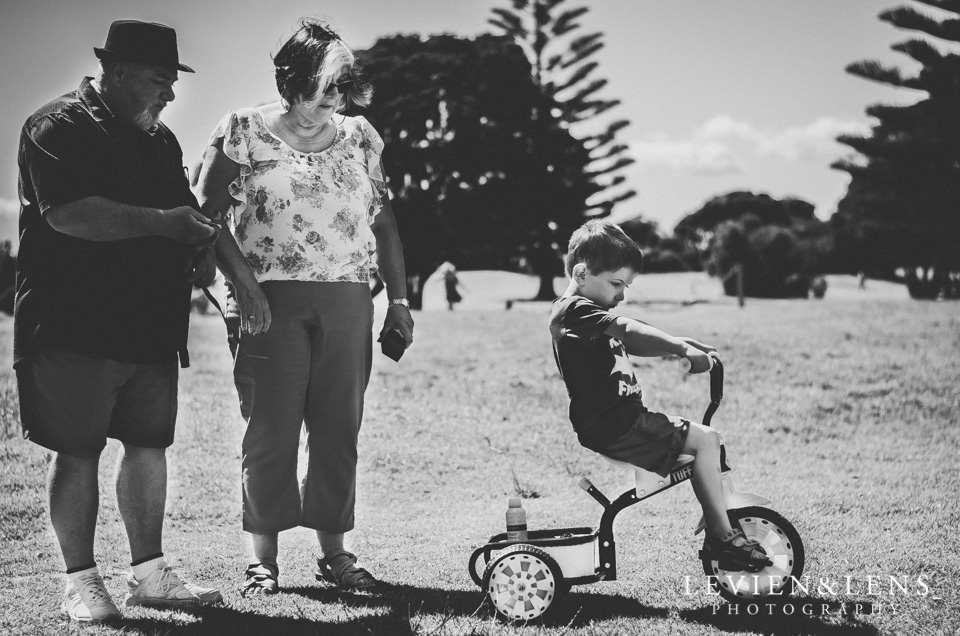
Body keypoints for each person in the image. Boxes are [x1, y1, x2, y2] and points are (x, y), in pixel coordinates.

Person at [196, 19, 414, 597]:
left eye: (342, 88)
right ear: (292, 79)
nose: (334, 101)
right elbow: (205, 218)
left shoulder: (361, 136)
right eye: (325, 87)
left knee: (339, 428)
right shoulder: (242, 130)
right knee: (271, 429)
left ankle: (335, 554)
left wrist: (399, 300)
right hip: (267, 300)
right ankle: (261, 561)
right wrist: (243, 288)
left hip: (348, 299)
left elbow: (384, 221)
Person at [14, 20, 223, 623]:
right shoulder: (55, 126)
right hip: (71, 323)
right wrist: (166, 225)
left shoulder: (162, 142)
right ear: (118, 71)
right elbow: (71, 216)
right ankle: (80, 581)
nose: (171, 94)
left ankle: (150, 573)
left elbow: (184, 215)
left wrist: (199, 247)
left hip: (149, 326)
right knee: (76, 450)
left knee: (149, 445)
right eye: (161, 80)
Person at [549, 220, 772, 571]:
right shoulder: (572, 311)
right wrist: (680, 347)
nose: (622, 294)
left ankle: (720, 524)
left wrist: (682, 344)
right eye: (616, 284)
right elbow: (626, 327)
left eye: (626, 285)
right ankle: (722, 537)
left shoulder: (587, 315)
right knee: (706, 439)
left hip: (622, 421)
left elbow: (634, 334)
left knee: (705, 441)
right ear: (581, 273)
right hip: (617, 425)